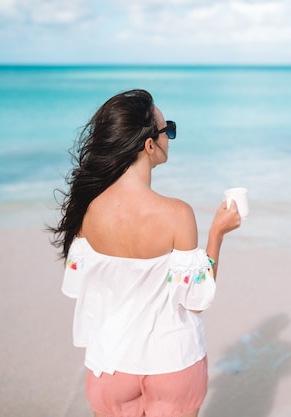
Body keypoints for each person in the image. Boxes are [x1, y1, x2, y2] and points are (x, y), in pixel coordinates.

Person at [50, 89, 241, 417]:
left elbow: (82, 286)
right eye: (168, 130)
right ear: (150, 145)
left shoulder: (87, 208)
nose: (170, 137)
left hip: (110, 364)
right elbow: (195, 299)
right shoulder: (176, 213)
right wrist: (217, 233)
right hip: (172, 361)